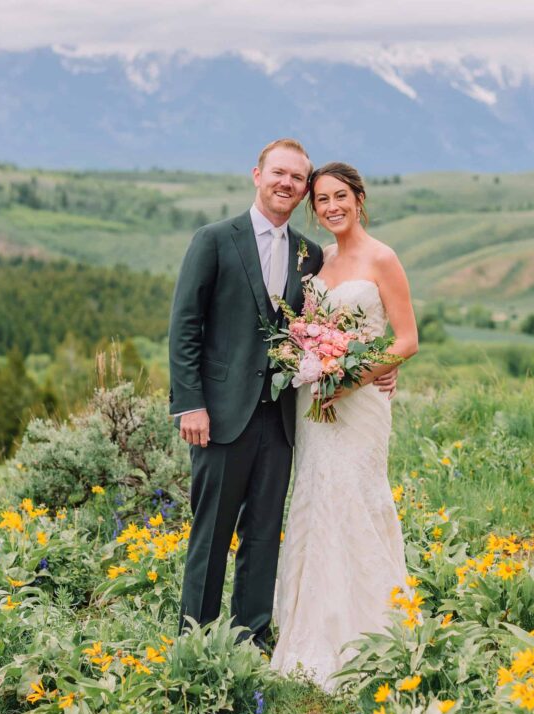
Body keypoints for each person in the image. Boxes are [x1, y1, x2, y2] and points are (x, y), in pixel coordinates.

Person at [168, 140, 396, 649]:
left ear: (303, 193)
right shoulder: (214, 239)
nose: (287, 184)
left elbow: (332, 324)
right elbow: (185, 325)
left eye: (298, 179)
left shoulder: (309, 253)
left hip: (284, 416)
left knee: (264, 533)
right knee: (212, 532)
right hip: (221, 413)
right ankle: (197, 643)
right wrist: (190, 403)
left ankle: (251, 638)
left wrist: (375, 367)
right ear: (257, 174)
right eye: (280, 173)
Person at [271, 161, 419, 690]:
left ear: (359, 198)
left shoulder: (383, 258)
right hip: (315, 403)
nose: (331, 207)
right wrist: (313, 361)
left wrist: (354, 377)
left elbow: (405, 340)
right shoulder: (318, 260)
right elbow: (304, 329)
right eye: (322, 201)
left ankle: (374, 633)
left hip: (357, 405)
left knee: (356, 497)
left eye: (340, 196)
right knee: (316, 498)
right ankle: (310, 635)